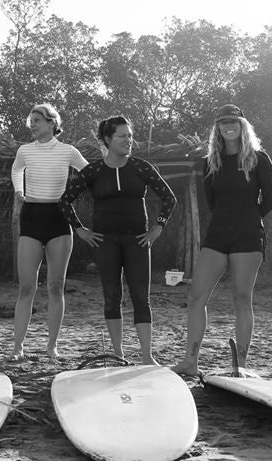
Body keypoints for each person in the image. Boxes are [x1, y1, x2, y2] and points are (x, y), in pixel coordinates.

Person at [60, 116, 176, 365]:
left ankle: (146, 356)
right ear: (107, 140)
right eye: (122, 136)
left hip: (138, 241)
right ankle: (118, 354)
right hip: (105, 242)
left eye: (130, 136)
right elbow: (64, 200)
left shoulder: (141, 167)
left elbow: (169, 197)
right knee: (112, 295)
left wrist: (158, 227)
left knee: (140, 297)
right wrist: (80, 229)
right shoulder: (93, 171)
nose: (128, 140)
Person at [172, 104, 272, 376]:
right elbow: (212, 202)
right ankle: (190, 362)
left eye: (233, 121)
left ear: (243, 125)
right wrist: (228, 220)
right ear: (217, 128)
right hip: (217, 235)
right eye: (222, 122)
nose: (228, 126)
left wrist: (249, 219)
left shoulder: (259, 158)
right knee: (196, 297)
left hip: (248, 236)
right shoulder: (210, 162)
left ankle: (241, 365)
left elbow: (270, 201)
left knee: (242, 298)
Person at [10, 103, 88, 361]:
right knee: (26, 288)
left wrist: (72, 193)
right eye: (30, 120)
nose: (32, 125)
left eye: (37, 120)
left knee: (56, 286)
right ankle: (17, 348)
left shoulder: (68, 151)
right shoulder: (25, 150)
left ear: (52, 122)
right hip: (31, 218)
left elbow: (89, 174)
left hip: (59, 220)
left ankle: (51, 347)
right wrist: (19, 191)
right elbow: (16, 169)